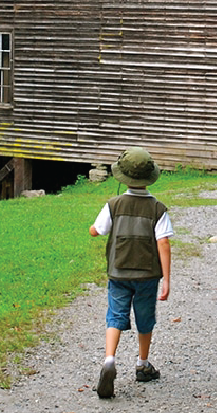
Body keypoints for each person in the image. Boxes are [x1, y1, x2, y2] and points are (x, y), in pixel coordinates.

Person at [88, 146, 173, 399]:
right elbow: (164, 243)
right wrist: (167, 278)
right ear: (150, 178)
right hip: (147, 276)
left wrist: (92, 228)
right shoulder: (158, 209)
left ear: (121, 177)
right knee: (145, 319)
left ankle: (109, 360)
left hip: (119, 273)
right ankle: (142, 363)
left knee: (115, 316)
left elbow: (98, 230)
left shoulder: (113, 205)